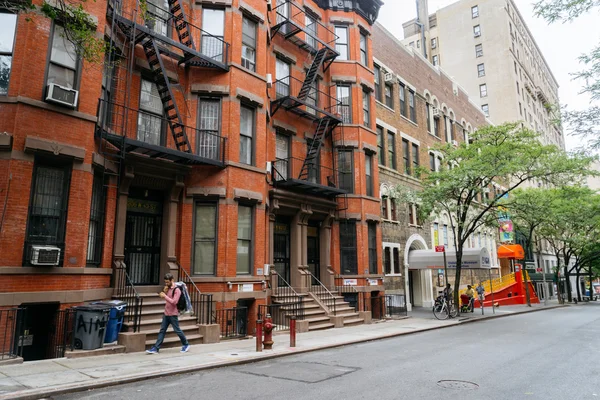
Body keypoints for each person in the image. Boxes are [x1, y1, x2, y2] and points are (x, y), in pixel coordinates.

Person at [146, 273, 190, 354]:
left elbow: (174, 302)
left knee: (177, 330)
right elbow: (168, 299)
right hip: (166, 313)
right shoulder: (168, 288)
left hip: (173, 314)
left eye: (167, 282)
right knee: (162, 330)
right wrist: (164, 292)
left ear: (172, 280)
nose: (166, 284)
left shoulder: (177, 290)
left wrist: (165, 296)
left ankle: (186, 344)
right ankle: (156, 348)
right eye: (165, 282)